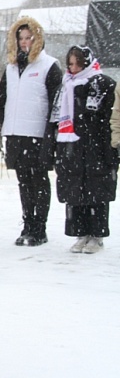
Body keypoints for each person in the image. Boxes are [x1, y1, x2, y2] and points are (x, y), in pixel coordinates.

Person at [0, 16, 63, 246]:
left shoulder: (49, 65)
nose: (25, 43)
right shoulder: (10, 68)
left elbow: (56, 102)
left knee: (38, 181)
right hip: (15, 133)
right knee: (23, 182)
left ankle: (39, 229)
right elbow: (2, 99)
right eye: (20, 38)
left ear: (37, 38)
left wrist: (52, 133)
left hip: (37, 133)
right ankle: (27, 224)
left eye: (28, 38)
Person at [53, 46, 117, 254]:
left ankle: (97, 235)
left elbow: (107, 119)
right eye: (70, 64)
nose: (73, 68)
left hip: (96, 147)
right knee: (75, 191)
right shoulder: (65, 86)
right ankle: (80, 232)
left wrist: (110, 148)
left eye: (78, 63)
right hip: (71, 146)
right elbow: (55, 118)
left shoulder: (103, 83)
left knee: (96, 192)